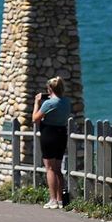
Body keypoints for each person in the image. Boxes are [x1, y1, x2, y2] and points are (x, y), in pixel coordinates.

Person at [33, 76, 71, 209]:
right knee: (58, 168)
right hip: (62, 134)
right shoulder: (66, 102)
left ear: (50, 89)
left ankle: (53, 199)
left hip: (49, 134)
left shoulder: (48, 103)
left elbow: (35, 119)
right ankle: (60, 200)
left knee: (49, 168)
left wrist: (37, 102)